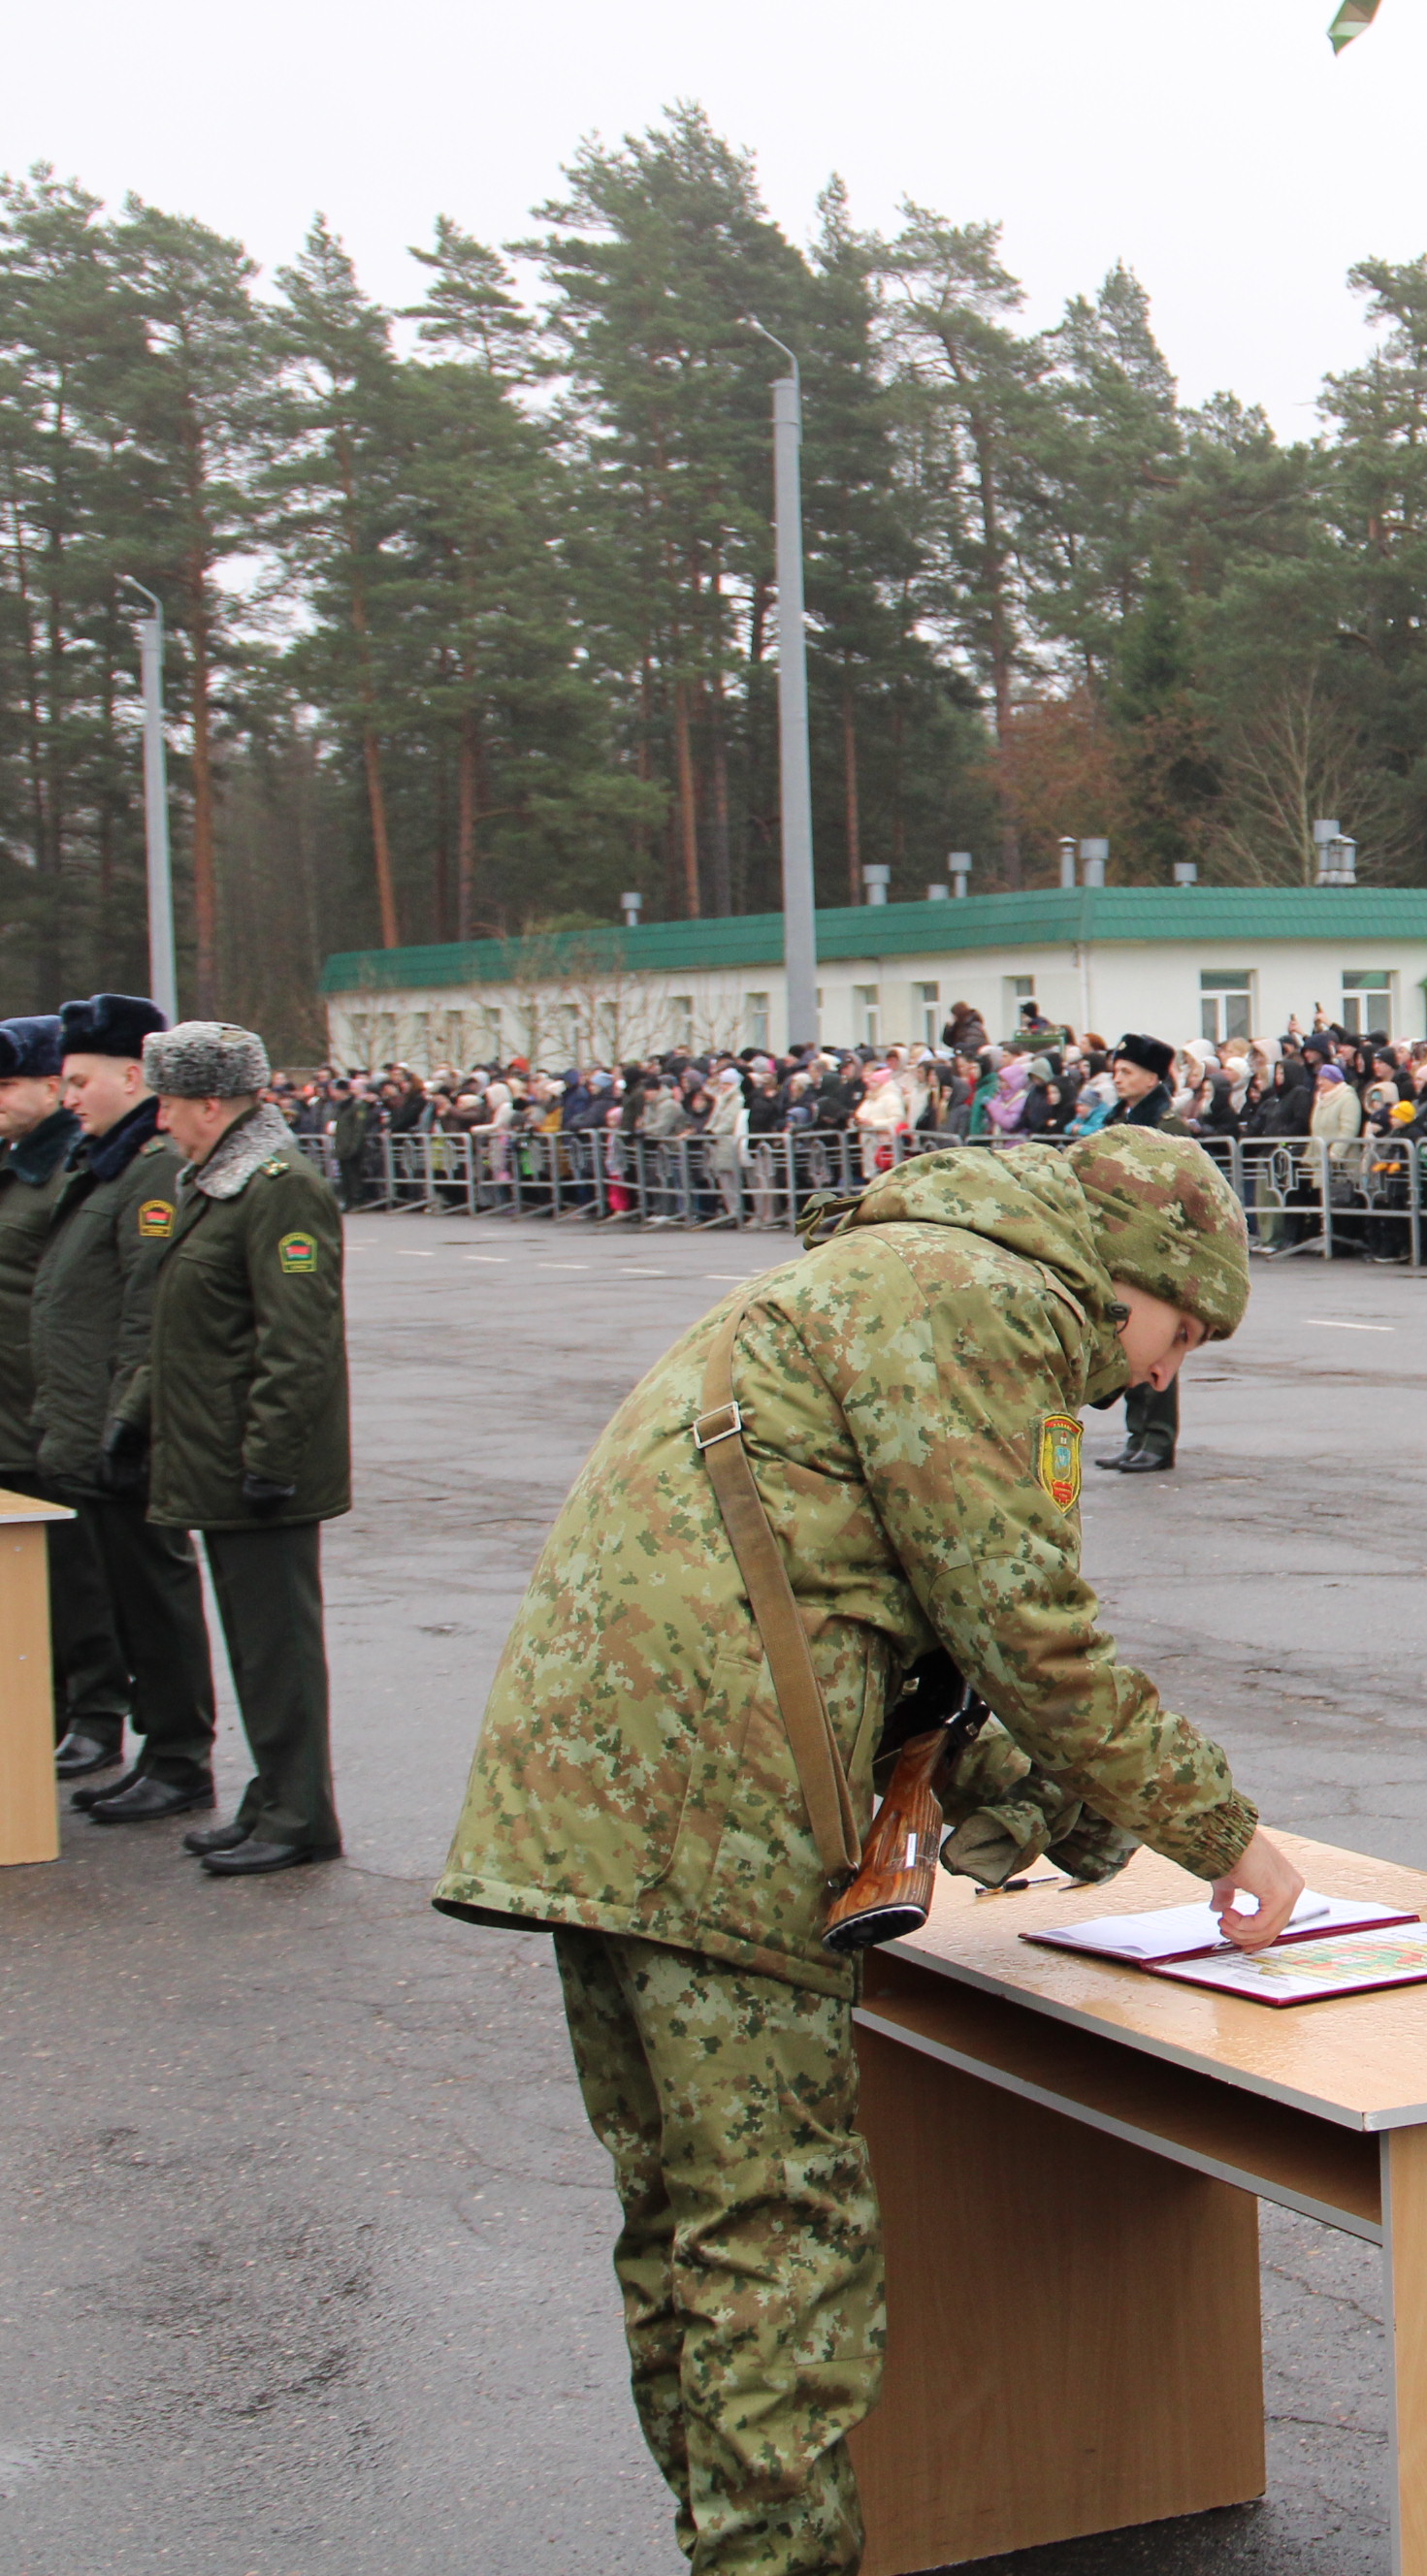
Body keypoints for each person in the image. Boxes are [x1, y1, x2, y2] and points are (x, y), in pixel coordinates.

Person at [437, 1127, 1298, 2576]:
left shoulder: (885, 1270)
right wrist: (1223, 1832)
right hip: (721, 1807)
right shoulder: (991, 1301)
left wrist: (1064, 1811)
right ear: (1132, 1272)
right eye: (1184, 1330)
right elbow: (1028, 1631)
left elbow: (897, 1609)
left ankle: (733, 2549)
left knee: (689, 2224)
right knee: (778, 2243)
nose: (1165, 1371)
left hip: (598, 1800)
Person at [138, 1022, 353, 1876]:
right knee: (255, 1646)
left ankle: (301, 1812)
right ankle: (271, 1795)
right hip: (222, 1456)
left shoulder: (277, 1187)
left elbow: (295, 1341)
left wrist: (269, 1455)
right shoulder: (215, 1183)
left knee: (279, 1646)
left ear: (210, 1103)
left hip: (258, 1465)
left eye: (168, 1102)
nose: (161, 1120)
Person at [42, 994, 222, 1832]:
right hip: (86, 1422)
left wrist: (127, 1418)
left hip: (128, 1426)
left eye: (80, 1081)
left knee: (155, 1593)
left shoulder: (150, 1167)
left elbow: (148, 1310)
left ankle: (180, 1755)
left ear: (128, 1075)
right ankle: (158, 1751)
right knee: (122, 1593)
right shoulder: (104, 1160)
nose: (68, 1095)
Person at [0, 1013, 132, 1782]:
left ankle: (98, 1714)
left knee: (79, 1577)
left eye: (9, 1083)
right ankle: (39, 1706)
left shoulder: (71, 1173)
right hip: (8, 1410)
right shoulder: (13, 1164)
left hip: (53, 1408)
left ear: (54, 1088)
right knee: (20, 1587)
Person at [1097, 1035, 1184, 1473]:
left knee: (1157, 1345)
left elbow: (1181, 1187)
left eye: (1127, 1071)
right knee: (1129, 1342)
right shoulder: (1120, 1119)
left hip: (1157, 1248)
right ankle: (1137, 1435)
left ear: (1153, 1077)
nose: (1118, 1078)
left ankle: (1159, 1439)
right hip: (1121, 1245)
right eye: (1116, 1070)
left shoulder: (1168, 1124)